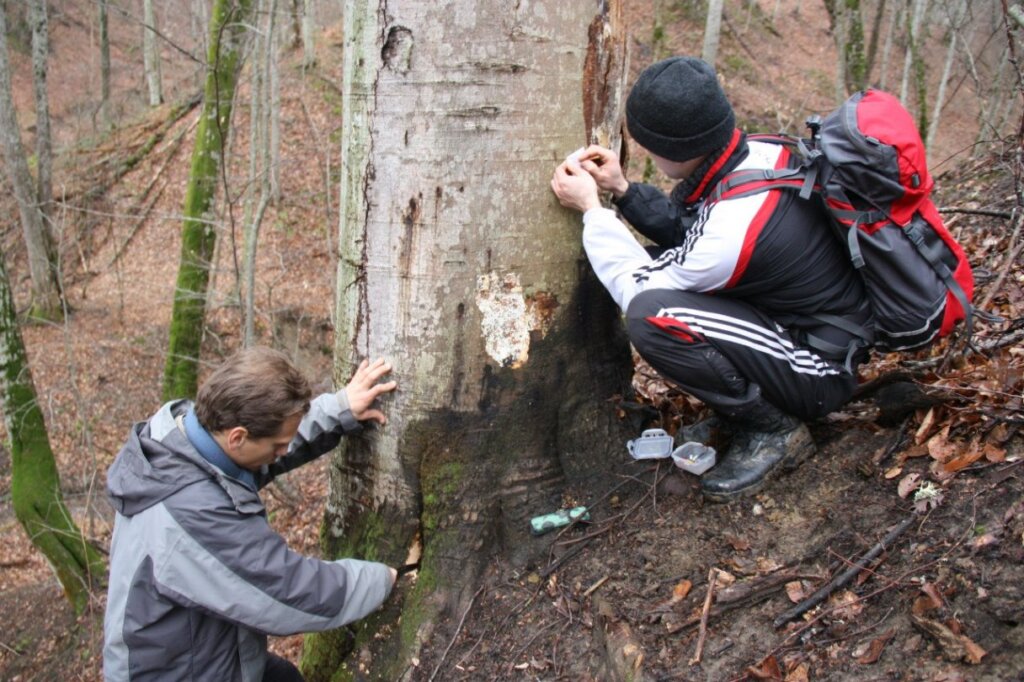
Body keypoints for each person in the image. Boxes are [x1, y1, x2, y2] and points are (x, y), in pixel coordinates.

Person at [551, 56, 872, 502]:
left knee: (653, 314)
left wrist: (592, 210)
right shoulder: (760, 153)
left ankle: (774, 430)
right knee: (661, 268)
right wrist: (622, 190)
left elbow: (638, 287)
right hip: (803, 326)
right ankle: (744, 406)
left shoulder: (729, 235)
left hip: (818, 370)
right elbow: (694, 230)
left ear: (672, 149)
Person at [103, 347, 399, 681]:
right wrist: (383, 580)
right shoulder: (192, 513)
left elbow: (262, 445)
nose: (282, 453)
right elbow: (286, 590)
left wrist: (340, 407)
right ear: (238, 437)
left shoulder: (184, 439)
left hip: (206, 651)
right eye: (277, 447)